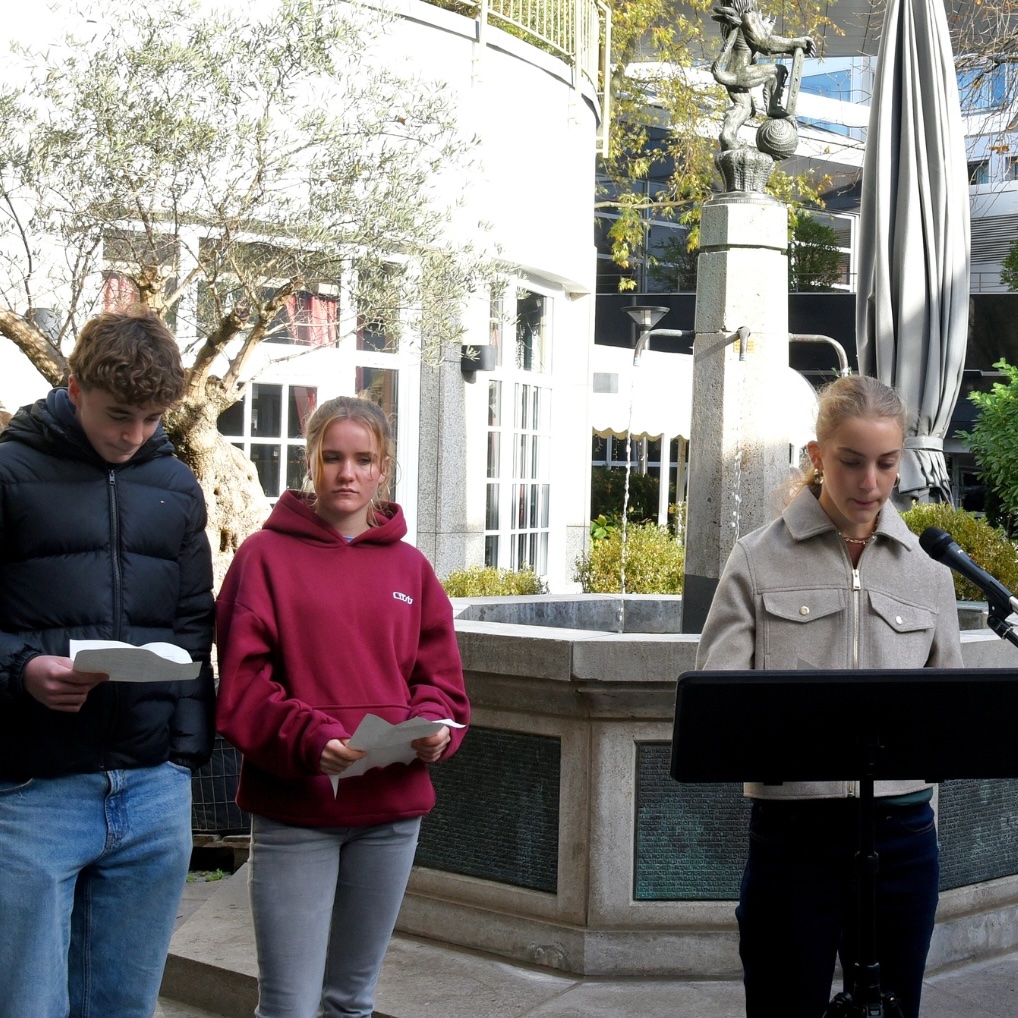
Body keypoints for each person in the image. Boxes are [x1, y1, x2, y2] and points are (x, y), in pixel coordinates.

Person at [695, 375, 962, 1018]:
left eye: (886, 463)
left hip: (902, 839)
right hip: (794, 840)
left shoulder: (929, 573)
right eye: (850, 461)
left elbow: (951, 714)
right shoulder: (757, 560)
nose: (869, 482)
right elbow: (718, 704)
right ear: (817, 456)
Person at [216, 395, 469, 1018]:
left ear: (382, 468)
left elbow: (439, 681)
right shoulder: (262, 558)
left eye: (362, 459)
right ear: (312, 461)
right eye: (332, 458)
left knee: (351, 1002)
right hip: (295, 812)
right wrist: (308, 737)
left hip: (390, 814)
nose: (346, 473)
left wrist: (437, 726)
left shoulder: (412, 569)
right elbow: (242, 686)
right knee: (288, 1005)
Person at [0, 306, 215, 1018]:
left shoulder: (177, 487)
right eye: (120, 414)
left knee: (125, 1009)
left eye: (152, 418)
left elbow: (192, 625)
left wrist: (182, 762)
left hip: (153, 790)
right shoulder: (7, 473)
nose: (134, 435)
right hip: (32, 788)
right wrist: (22, 670)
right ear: (73, 383)